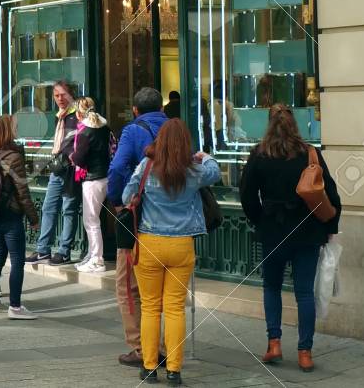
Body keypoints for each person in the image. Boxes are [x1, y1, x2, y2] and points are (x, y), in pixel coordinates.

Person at [241, 104, 342, 373]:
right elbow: (330, 194)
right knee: (304, 293)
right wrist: (331, 225)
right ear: (294, 124)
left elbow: (247, 196)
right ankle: (305, 352)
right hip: (307, 232)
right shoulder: (310, 154)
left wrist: (260, 220)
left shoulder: (259, 155)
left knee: (272, 288)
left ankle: (274, 342)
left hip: (273, 230)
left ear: (268, 125)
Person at [123, 118, 219, 385]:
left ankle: (150, 366)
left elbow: (125, 197)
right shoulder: (194, 170)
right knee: (175, 308)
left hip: (149, 242)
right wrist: (205, 156)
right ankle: (175, 369)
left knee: (151, 307)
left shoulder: (147, 166)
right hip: (181, 245)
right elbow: (215, 171)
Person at [107, 86, 169, 368]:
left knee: (128, 286)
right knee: (167, 290)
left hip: (139, 217)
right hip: (175, 223)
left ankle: (141, 347)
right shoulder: (176, 130)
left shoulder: (132, 131)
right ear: (162, 109)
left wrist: (120, 203)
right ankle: (166, 346)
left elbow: (118, 168)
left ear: (135, 110)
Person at [0, 114, 40, 319]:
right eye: (14, 127)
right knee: (17, 260)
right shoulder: (14, 158)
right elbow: (22, 192)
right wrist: (33, 218)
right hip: (11, 214)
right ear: (9, 131)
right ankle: (15, 307)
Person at [28, 81, 81, 266]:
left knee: (68, 209)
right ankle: (43, 249)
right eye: (56, 95)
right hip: (57, 168)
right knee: (48, 208)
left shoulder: (78, 115)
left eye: (63, 94)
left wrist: (73, 158)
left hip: (71, 169)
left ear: (71, 95)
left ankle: (64, 251)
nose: (60, 98)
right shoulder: (60, 116)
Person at [72, 98, 112, 273]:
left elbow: (79, 158)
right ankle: (92, 255)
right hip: (105, 176)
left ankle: (96, 259)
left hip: (92, 179)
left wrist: (72, 157)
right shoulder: (104, 127)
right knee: (94, 219)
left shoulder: (84, 132)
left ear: (79, 113)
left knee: (91, 220)